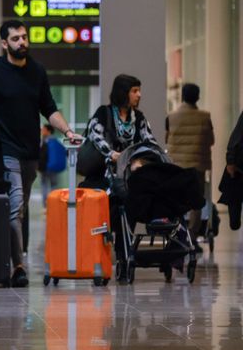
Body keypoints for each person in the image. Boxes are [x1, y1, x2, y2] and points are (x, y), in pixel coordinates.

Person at [0, 20, 78, 288]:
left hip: (30, 152)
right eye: (15, 39)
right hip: (4, 151)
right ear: (4, 44)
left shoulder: (37, 71)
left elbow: (49, 108)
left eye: (24, 37)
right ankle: (18, 266)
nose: (22, 42)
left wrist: (68, 131)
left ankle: (4, 259)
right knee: (15, 207)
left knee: (20, 209)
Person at [83, 74, 157, 271]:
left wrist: (140, 159)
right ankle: (116, 252)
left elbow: (150, 142)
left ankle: (124, 255)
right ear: (123, 93)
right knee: (115, 208)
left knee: (130, 206)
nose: (139, 95)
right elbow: (94, 135)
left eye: (139, 90)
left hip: (130, 176)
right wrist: (112, 154)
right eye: (134, 91)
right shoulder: (104, 113)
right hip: (105, 175)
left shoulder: (139, 118)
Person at [165, 83, 214, 239]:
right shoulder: (205, 117)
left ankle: (177, 232)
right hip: (197, 166)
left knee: (176, 199)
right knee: (196, 201)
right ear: (197, 97)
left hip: (177, 166)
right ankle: (192, 235)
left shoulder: (171, 117)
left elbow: (166, 139)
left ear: (183, 96)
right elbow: (211, 140)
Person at [219, 111, 243, 230]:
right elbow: (235, 140)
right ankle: (235, 220)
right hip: (239, 165)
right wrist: (230, 161)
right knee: (234, 195)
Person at [38, 124, 66, 210]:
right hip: (54, 167)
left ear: (49, 131)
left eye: (44, 129)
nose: (42, 131)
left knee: (44, 186)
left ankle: (46, 205)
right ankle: (54, 204)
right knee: (54, 186)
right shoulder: (57, 141)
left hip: (45, 168)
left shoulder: (45, 141)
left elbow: (41, 155)